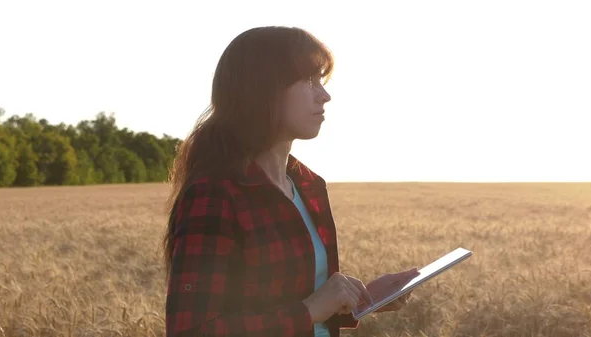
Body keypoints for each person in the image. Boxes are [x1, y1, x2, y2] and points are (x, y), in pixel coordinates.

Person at [162, 26, 421, 337]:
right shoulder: (215, 195)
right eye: (308, 80)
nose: (324, 95)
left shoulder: (308, 186)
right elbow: (191, 331)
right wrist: (311, 309)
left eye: (321, 80)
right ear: (262, 89)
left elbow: (302, 306)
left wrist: (363, 300)